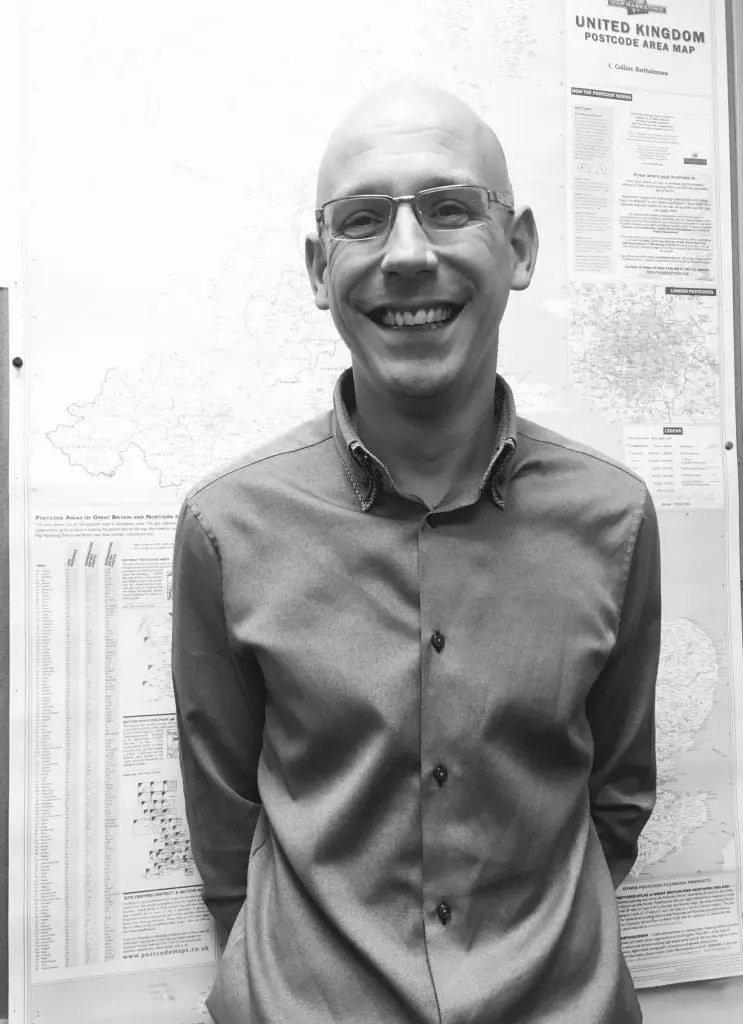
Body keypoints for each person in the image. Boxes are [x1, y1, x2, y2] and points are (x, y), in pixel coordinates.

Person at [172, 81, 661, 1024]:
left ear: (516, 247)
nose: (407, 254)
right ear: (320, 269)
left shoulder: (617, 519)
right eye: (363, 220)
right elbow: (225, 815)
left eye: (447, 209)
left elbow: (618, 795)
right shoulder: (225, 528)